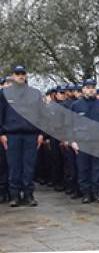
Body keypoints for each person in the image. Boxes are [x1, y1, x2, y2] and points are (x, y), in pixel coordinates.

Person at [2, 66, 45, 206]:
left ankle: (28, 195)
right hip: (12, 135)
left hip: (30, 135)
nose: (20, 76)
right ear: (13, 75)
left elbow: (42, 115)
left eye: (23, 74)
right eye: (17, 74)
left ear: (26, 76)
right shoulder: (4, 93)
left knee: (29, 166)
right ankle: (14, 195)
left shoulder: (35, 93)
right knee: (14, 166)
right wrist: (1, 134)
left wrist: (41, 133)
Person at [68, 79, 99, 204]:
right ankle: (86, 193)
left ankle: (95, 193)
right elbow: (70, 124)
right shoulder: (76, 106)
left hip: (98, 141)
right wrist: (72, 141)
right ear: (83, 90)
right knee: (83, 168)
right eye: (88, 87)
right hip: (82, 142)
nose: (90, 90)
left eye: (92, 87)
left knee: (97, 169)